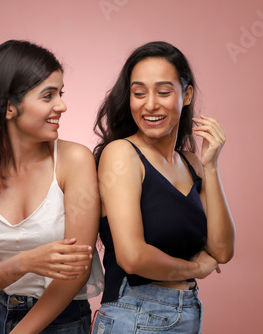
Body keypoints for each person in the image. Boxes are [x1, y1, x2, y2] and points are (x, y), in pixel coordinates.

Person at [0, 40, 103, 334]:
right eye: (48, 95)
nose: (62, 105)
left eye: (61, 93)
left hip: (62, 321)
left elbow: (75, 272)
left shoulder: (75, 161)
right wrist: (26, 262)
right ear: (8, 107)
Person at [91, 41, 235, 333]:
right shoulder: (122, 154)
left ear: (186, 95)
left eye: (164, 92)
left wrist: (211, 166)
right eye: (139, 93)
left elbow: (221, 250)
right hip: (133, 313)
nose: (150, 104)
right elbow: (132, 257)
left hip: (187, 311)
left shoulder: (192, 163)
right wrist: (195, 269)